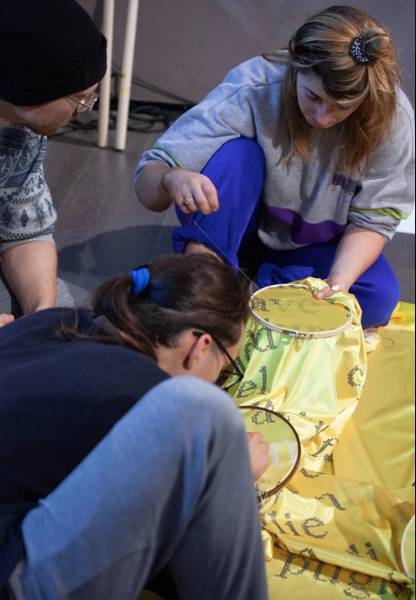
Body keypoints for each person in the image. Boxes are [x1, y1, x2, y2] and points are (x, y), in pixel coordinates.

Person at [0, 253, 269, 600]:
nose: (219, 382)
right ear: (200, 348)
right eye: (225, 369)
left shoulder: (54, 321)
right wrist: (230, 475)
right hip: (12, 566)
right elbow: (181, 568)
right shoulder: (145, 396)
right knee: (207, 417)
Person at [134, 5, 415, 330]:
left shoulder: (391, 119)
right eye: (313, 97)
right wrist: (172, 178)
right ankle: (206, 267)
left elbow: (373, 220)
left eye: (342, 107)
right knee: (237, 156)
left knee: (378, 298)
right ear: (295, 65)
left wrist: (338, 282)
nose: (322, 117)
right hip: (240, 229)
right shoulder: (256, 86)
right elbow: (149, 187)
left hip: (311, 246)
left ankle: (249, 282)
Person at [0, 0, 107, 327]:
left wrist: (41, 314)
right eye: (80, 98)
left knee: (80, 319)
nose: (81, 111)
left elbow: (25, 230)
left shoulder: (21, 131)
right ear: (32, 87)